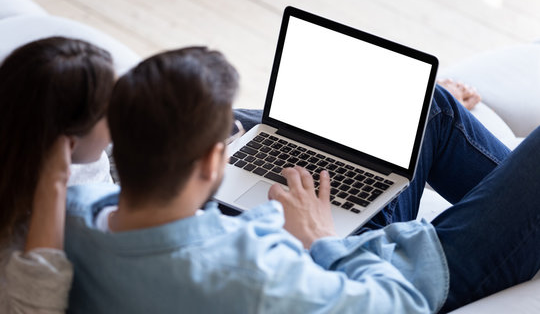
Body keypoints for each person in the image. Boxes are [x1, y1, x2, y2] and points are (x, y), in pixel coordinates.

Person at [63, 46, 540, 313]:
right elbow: (401, 304)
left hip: (298, 233)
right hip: (416, 268)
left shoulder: (74, 216)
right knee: (436, 111)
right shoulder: (256, 280)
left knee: (425, 108)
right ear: (213, 162)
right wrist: (318, 238)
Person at [0, 37, 115, 313]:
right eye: (110, 112)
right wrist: (53, 184)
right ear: (67, 143)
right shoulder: (20, 235)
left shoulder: (19, 129)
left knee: (238, 119)